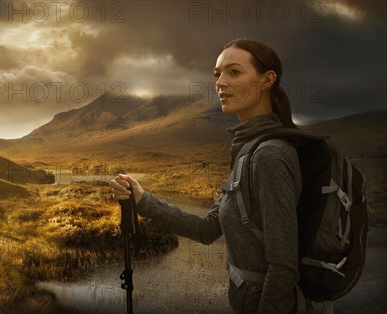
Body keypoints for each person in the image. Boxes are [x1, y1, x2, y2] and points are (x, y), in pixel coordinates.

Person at [110, 38, 313, 314]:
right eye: (217, 74)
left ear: (267, 80)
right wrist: (143, 199)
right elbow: (207, 229)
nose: (220, 83)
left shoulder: (269, 156)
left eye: (234, 72)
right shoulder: (247, 149)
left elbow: (283, 267)